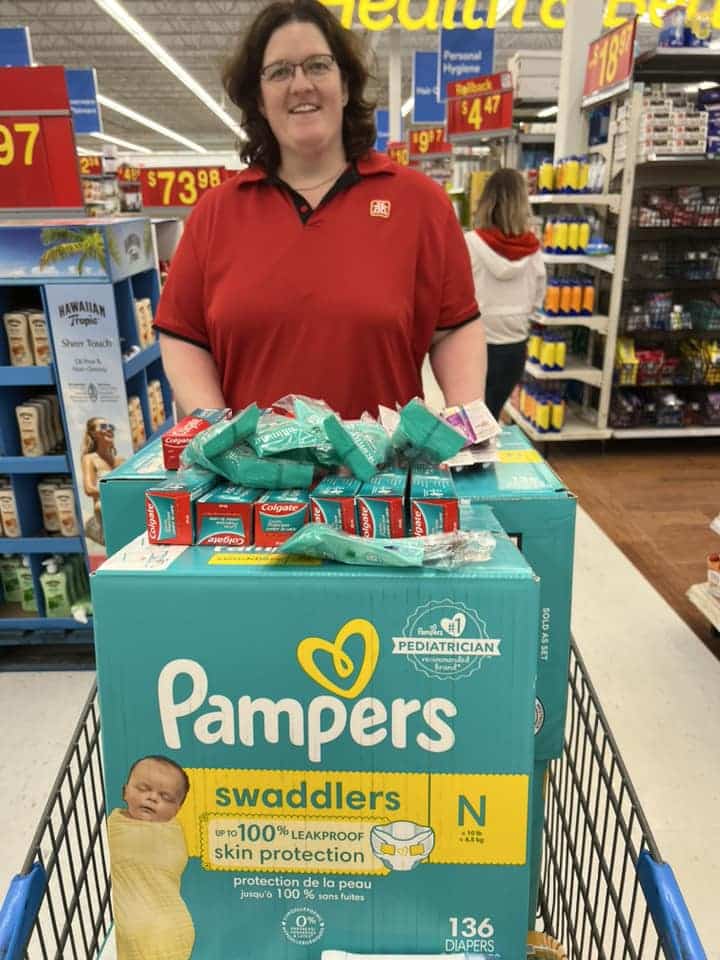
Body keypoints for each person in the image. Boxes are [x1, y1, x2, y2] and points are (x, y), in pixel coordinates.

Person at [154, 0, 486, 420]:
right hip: (255, 481)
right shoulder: (215, 214)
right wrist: (216, 430)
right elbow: (184, 336)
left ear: (345, 86)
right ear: (258, 98)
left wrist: (465, 423)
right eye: (279, 72)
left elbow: (454, 327)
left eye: (317, 65)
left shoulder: (419, 203)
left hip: (378, 477)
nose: (300, 85)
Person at [464, 169, 546, 420]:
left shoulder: (469, 244)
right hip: (514, 346)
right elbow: (537, 299)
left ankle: (471, 459)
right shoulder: (533, 250)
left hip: (473, 345)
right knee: (492, 413)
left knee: (468, 419)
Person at [107, 756, 195, 960]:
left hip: (164, 928)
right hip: (165, 927)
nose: (152, 798)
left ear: (177, 810)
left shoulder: (171, 835)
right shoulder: (117, 825)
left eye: (166, 797)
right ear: (124, 791)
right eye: (143, 788)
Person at [81, 418, 124, 545]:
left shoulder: (121, 461)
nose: (109, 429)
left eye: (111, 426)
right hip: (105, 516)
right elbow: (89, 489)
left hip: (123, 510)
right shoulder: (89, 459)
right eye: (103, 426)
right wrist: (114, 493)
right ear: (93, 433)